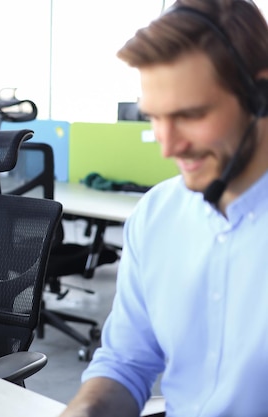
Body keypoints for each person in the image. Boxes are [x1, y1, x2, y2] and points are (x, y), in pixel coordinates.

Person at [60, 1, 268, 416]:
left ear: (260, 95)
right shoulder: (157, 213)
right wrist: (85, 410)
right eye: (153, 118)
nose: (168, 146)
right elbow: (125, 364)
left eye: (190, 115)